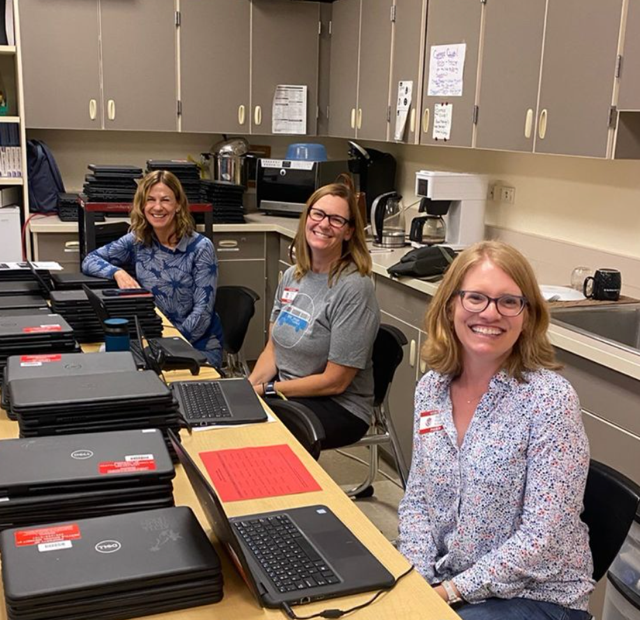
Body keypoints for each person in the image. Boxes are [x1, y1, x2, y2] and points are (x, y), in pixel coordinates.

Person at [398, 241, 594, 620]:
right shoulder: (432, 388)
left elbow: (542, 537)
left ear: (527, 315)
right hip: (448, 578)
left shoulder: (549, 401)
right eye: (476, 298)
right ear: (451, 304)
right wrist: (417, 578)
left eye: (508, 301)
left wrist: (447, 593)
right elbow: (418, 499)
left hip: (538, 595)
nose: (490, 313)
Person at [248, 175, 379, 450]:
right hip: (288, 390)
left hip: (339, 405)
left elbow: (335, 382)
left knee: (266, 437)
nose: (323, 224)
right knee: (236, 418)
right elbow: (273, 348)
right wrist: (249, 388)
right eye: (318, 214)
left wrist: (268, 391)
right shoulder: (292, 276)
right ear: (306, 217)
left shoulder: (354, 287)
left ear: (349, 231)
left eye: (336, 219)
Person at [82, 169, 223, 368]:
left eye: (165, 200)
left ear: (178, 205)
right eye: (150, 200)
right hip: (153, 341)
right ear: (142, 205)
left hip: (196, 344)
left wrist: (165, 346)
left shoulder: (200, 247)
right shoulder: (138, 240)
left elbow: (202, 314)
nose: (157, 207)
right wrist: (117, 272)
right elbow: (90, 260)